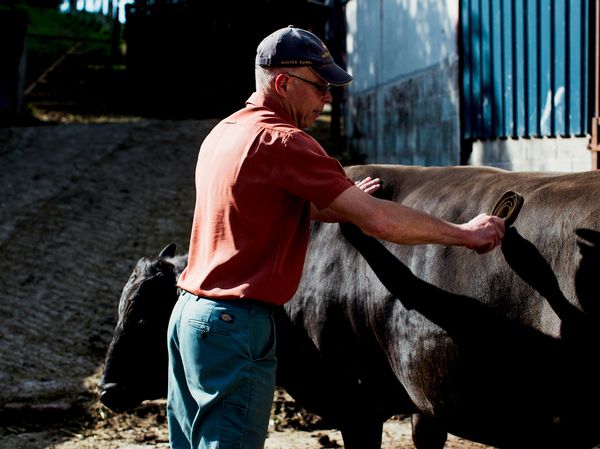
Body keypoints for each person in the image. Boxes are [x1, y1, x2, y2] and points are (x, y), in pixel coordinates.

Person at [166, 25, 505, 449]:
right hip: (237, 323)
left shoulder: (225, 133)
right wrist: (464, 233)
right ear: (284, 83)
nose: (328, 98)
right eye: (321, 85)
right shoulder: (285, 141)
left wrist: (339, 201)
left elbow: (262, 205)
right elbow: (380, 223)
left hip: (189, 319)